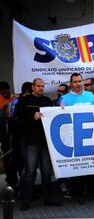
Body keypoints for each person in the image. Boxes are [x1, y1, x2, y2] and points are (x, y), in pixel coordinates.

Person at [15, 78, 62, 210]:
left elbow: (54, 116)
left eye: (42, 86)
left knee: (47, 172)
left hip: (46, 142)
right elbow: (17, 121)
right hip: (32, 142)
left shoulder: (47, 101)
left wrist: (61, 110)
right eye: (39, 86)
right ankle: (26, 200)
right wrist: (32, 118)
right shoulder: (24, 101)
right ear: (33, 87)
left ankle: (48, 198)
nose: (41, 88)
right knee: (30, 172)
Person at [61, 73, 94, 205]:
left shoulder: (90, 95)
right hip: (75, 137)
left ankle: (92, 191)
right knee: (78, 166)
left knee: (92, 163)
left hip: (91, 135)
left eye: (79, 81)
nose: (77, 84)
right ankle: (78, 193)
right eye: (74, 82)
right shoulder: (65, 99)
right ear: (71, 84)